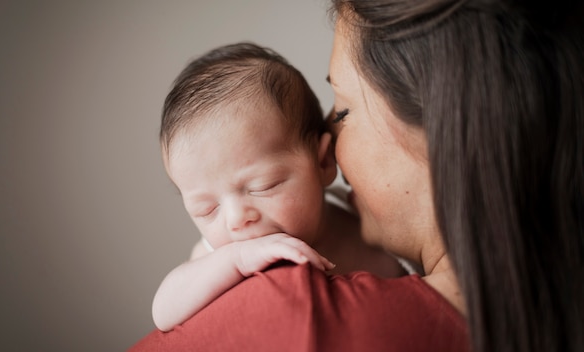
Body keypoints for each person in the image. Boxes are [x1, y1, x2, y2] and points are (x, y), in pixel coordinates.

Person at [130, 1, 583, 351]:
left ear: (445, 127)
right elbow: (165, 306)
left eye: (343, 109)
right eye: (204, 207)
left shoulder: (309, 315)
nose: (327, 131)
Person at [152, 42, 405, 332]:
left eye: (263, 186)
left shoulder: (358, 216)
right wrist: (236, 262)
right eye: (206, 209)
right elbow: (163, 310)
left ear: (322, 163)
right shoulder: (220, 255)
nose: (236, 219)